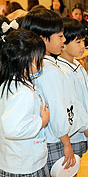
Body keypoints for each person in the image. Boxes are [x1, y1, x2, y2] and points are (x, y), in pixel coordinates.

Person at [22, 8, 82, 172]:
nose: (64, 39)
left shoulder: (36, 65)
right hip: (56, 140)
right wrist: (66, 142)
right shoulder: (49, 70)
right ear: (42, 38)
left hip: (47, 138)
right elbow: (57, 110)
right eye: (60, 36)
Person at [0, 29, 50, 176]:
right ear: (24, 60)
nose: (41, 64)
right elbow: (13, 129)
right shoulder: (23, 92)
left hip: (14, 159)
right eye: (38, 60)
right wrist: (42, 121)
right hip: (25, 164)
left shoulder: (8, 83)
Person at [57, 17, 88, 158]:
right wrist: (84, 127)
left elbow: (86, 92)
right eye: (78, 42)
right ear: (63, 44)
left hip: (83, 125)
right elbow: (71, 104)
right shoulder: (62, 71)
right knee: (70, 166)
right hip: (72, 132)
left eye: (83, 41)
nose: (83, 45)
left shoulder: (77, 65)